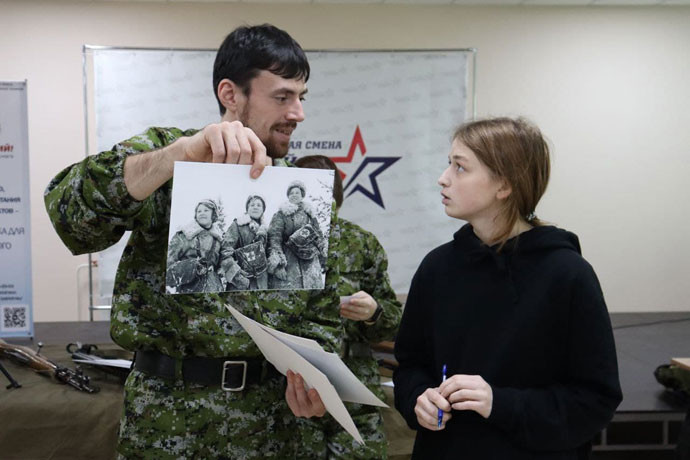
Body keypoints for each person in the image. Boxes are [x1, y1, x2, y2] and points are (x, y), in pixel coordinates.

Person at [44, 24, 340, 459]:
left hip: (275, 427)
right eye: (282, 97)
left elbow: (322, 308)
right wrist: (177, 156)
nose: (298, 113)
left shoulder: (298, 192)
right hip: (171, 420)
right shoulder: (170, 155)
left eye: (302, 97)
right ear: (230, 94)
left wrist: (317, 380)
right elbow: (68, 212)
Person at [393, 117, 622, 459]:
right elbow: (411, 366)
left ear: (503, 185)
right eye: (448, 164)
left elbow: (595, 400)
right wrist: (418, 398)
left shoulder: (568, 275)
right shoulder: (437, 267)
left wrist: (499, 403)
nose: (443, 178)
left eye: (460, 167)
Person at [294, 155, 403, 459]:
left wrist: (373, 314)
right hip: (294, 389)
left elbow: (393, 321)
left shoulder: (362, 244)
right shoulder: (277, 245)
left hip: (354, 388)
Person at [267, 180, 327, 289]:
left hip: (311, 263)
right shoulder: (281, 214)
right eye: (291, 193)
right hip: (290, 262)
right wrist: (279, 265)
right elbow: (274, 239)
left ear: (302, 195)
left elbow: (318, 235)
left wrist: (324, 251)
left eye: (297, 192)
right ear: (288, 196)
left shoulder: (310, 214)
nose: (294, 195)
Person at [166, 199, 225, 293]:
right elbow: (168, 268)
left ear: (213, 214)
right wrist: (191, 266)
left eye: (206, 210)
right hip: (188, 290)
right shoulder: (183, 236)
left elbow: (223, 263)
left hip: (214, 289)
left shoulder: (219, 239)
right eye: (199, 211)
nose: (202, 213)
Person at [220, 195, 269, 290]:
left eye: (259, 205)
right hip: (241, 281)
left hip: (262, 282)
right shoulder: (237, 225)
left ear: (263, 210)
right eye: (252, 205)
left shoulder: (266, 230)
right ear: (247, 209)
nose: (255, 207)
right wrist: (236, 274)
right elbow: (225, 252)